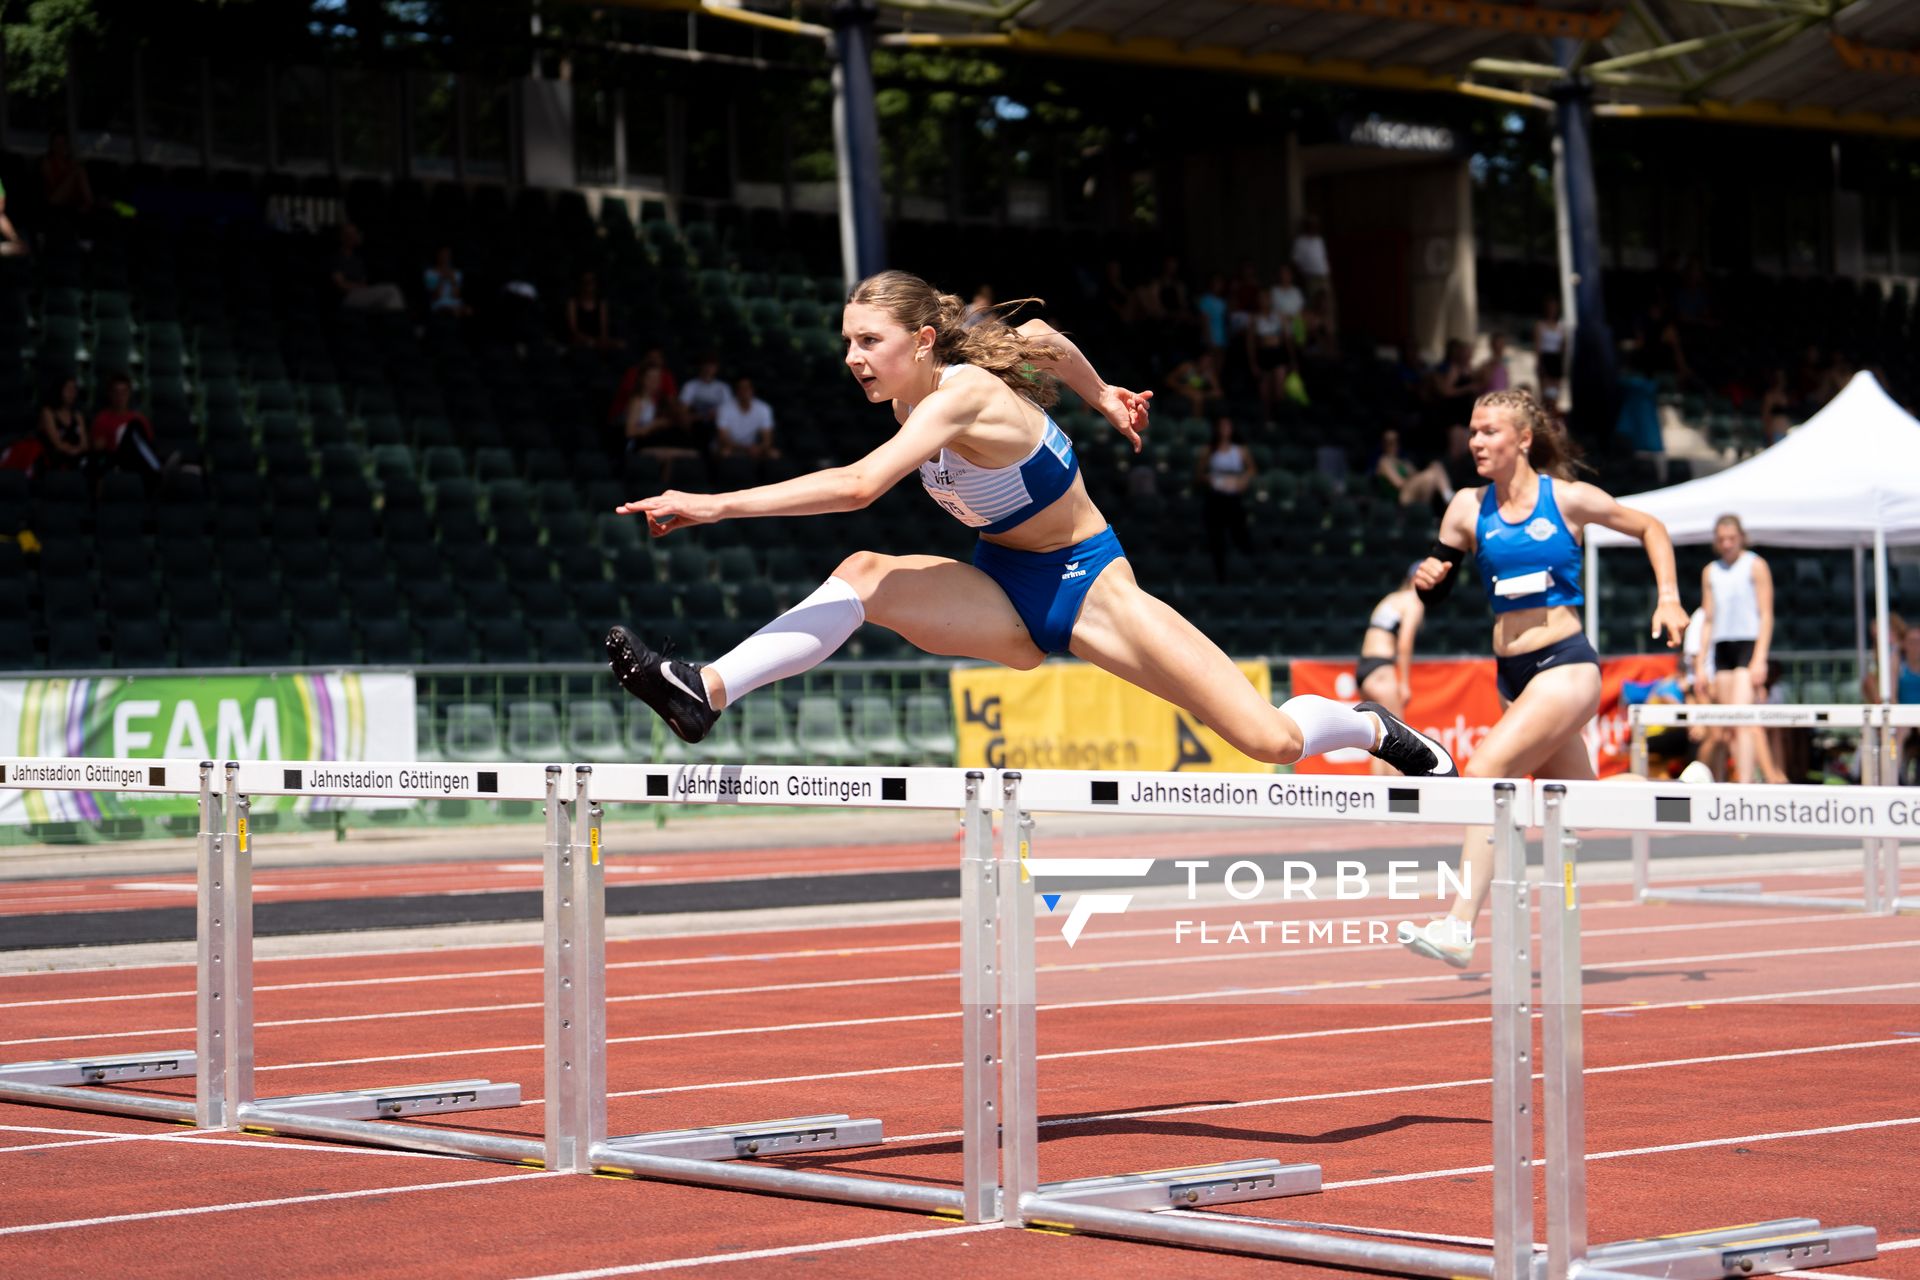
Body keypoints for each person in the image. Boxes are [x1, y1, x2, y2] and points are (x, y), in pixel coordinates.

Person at [606, 270, 1456, 780]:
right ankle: (703, 690)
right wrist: (1103, 396)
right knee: (865, 573)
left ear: (924, 338)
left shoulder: (961, 393)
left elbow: (863, 484)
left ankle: (1368, 725)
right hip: (1003, 587)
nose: (853, 358)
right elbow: (1042, 337)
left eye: (869, 340)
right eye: (847, 342)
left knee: (1268, 740)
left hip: (1090, 587)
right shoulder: (927, 382)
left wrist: (713, 503)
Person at [1398, 387, 1686, 967]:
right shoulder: (1465, 507)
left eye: (1489, 432)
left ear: (1523, 439)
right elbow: (1443, 585)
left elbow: (1650, 526)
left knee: (1484, 771)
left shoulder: (1569, 500)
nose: (1475, 441)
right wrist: (1432, 580)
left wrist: (1670, 599)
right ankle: (1684, 795)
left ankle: (1458, 923)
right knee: (1575, 803)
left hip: (1567, 664)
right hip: (1513, 675)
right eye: (1473, 431)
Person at [1697, 514, 1783, 784]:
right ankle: (1730, 781)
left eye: (1731, 539)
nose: (1727, 544)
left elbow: (1766, 615)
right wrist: (1700, 663)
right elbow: (1708, 619)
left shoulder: (1755, 565)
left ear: (1741, 538)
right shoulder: (1711, 571)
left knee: (1743, 717)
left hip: (1748, 643)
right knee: (1726, 726)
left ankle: (1745, 784)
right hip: (1723, 646)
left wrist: (1760, 658)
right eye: (1722, 540)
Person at [1356, 567, 1425, 776]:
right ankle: (1400, 805)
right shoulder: (1413, 602)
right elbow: (1404, 643)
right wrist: (1404, 683)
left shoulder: (1392, 598)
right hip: (1382, 671)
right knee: (1397, 743)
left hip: (1365, 670)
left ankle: (1377, 805)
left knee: (1377, 743)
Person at [1196, 417, 1254, 583]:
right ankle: (1220, 575)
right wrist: (1210, 480)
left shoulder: (1241, 450)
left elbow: (1251, 470)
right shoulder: (1209, 450)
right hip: (1216, 498)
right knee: (1217, 537)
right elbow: (1199, 474)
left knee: (1239, 531)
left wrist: (1242, 481)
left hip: (1234, 496)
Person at [90, 371, 164, 482]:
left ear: (129, 394)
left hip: (138, 462)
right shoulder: (102, 419)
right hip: (116, 462)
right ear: (110, 394)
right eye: (116, 392)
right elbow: (98, 450)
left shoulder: (140, 418)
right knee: (134, 426)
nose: (120, 397)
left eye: (124, 392)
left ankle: (162, 467)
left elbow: (148, 447)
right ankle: (159, 469)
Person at [330, 223, 405, 312]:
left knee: (389, 297)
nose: (356, 236)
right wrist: (358, 286)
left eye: (356, 233)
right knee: (391, 290)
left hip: (360, 293)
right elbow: (341, 285)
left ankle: (397, 323)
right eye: (351, 234)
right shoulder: (336, 258)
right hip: (346, 298)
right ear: (342, 238)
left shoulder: (357, 260)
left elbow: (363, 282)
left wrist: (360, 286)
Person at [1373, 428, 1453, 511]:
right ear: (1383, 444)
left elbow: (1417, 475)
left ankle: (1445, 497)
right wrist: (1414, 478)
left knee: (1434, 469)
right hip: (1402, 497)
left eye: (1396, 441)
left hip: (1413, 492)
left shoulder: (1403, 461)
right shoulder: (1384, 461)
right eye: (1389, 442)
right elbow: (1399, 483)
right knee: (1430, 475)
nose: (1393, 445)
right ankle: (1447, 498)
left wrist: (1415, 476)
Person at [1244, 289, 1292, 419]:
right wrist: (1253, 363)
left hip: (1277, 353)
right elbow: (1251, 344)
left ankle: (1281, 417)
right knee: (1265, 394)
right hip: (1263, 355)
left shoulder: (1279, 316)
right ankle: (1268, 420)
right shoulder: (1254, 318)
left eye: (1266, 298)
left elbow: (1286, 340)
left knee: (1279, 392)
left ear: (1271, 300)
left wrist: (1291, 360)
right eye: (1261, 298)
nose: (1264, 301)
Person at [714, 376, 778, 463]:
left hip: (754, 448)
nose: (744, 391)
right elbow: (723, 438)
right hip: (733, 447)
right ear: (737, 391)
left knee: (774, 454)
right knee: (724, 452)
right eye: (741, 388)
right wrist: (745, 449)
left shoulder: (764, 408)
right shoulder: (724, 408)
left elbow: (767, 439)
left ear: (752, 390)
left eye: (747, 387)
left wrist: (759, 448)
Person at [35, 375, 91, 473]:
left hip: (76, 460)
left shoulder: (78, 415)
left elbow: (84, 444)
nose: (72, 392)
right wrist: (72, 450)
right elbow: (57, 443)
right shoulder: (48, 413)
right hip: (54, 461)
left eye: (74, 388)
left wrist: (76, 450)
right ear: (59, 390)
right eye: (68, 388)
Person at [567, 271, 621, 349]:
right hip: (580, 341)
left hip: (598, 340)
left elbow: (604, 328)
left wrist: (602, 340)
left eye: (591, 281)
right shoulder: (573, 302)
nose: (589, 285)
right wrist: (590, 341)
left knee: (621, 345)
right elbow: (573, 330)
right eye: (585, 282)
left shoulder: (601, 302)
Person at [1164, 349, 1222, 419]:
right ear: (1199, 360)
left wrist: (1203, 394)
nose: (1207, 364)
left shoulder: (1209, 373)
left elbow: (1218, 392)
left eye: (1209, 362)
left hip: (1198, 394)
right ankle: (1195, 421)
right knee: (1197, 397)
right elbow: (1168, 380)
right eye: (1205, 361)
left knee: (1198, 397)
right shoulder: (1187, 367)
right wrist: (1181, 387)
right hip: (1181, 390)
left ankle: (1197, 422)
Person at [679, 353, 731, 429]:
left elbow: (730, 411)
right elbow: (683, 410)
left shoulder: (723, 387)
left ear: (716, 368)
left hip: (717, 425)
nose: (708, 368)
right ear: (701, 366)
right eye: (706, 365)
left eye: (712, 366)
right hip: (695, 426)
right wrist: (702, 416)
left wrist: (716, 414)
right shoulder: (690, 385)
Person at [1534, 297, 1566, 407]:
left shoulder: (1561, 327)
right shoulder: (1540, 325)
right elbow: (1538, 345)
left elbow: (1563, 346)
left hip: (1556, 359)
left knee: (1555, 394)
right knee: (1545, 394)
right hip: (1545, 357)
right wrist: (1539, 362)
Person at [423, 246, 469, 318]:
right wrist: (441, 279)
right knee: (453, 312)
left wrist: (452, 280)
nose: (445, 258)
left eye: (447, 255)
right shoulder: (430, 273)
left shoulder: (457, 273)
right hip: (439, 304)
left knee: (468, 310)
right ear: (438, 256)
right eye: (443, 255)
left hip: (455, 303)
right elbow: (435, 296)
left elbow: (456, 296)